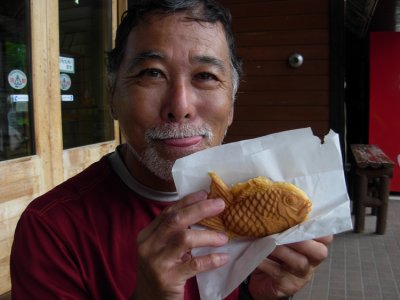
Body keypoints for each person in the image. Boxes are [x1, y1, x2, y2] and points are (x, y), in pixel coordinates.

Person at [10, 0, 333, 299]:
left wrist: (264, 296)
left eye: (205, 76)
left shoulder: (263, 201)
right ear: (112, 96)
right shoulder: (52, 229)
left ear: (232, 102)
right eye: (152, 73)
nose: (179, 106)